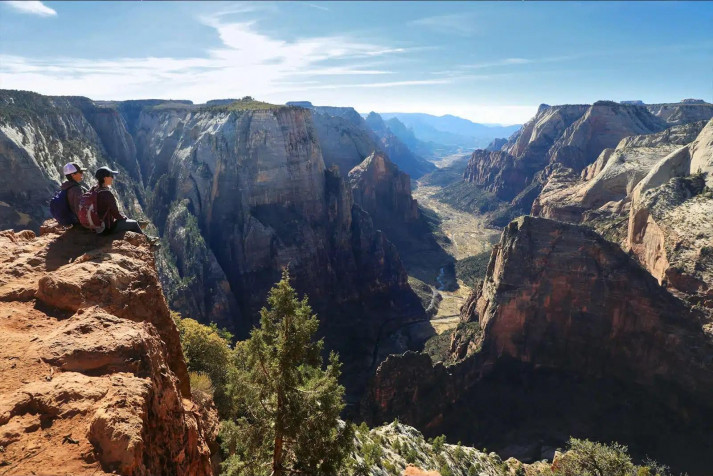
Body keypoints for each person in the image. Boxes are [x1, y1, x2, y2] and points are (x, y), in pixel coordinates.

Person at [93, 166, 149, 237]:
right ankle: (147, 241)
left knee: (129, 223)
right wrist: (125, 218)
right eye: (111, 176)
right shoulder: (107, 194)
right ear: (105, 178)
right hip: (106, 228)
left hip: (96, 226)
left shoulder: (95, 190)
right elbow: (116, 214)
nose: (113, 178)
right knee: (134, 223)